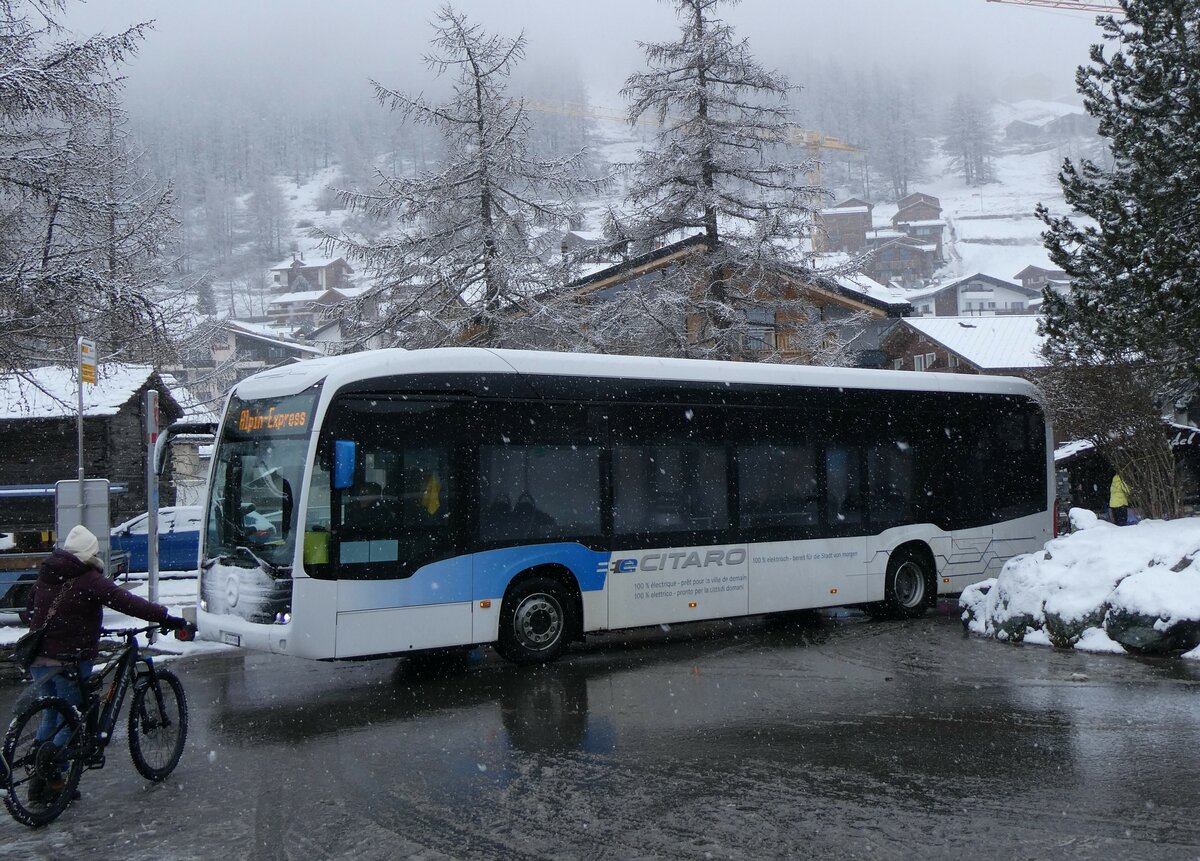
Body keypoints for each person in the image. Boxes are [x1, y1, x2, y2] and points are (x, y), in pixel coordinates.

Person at [24, 525, 186, 803]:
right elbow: (127, 602)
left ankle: (42, 780)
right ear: (89, 553)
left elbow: (31, 609)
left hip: (38, 656)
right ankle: (52, 773)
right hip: (69, 658)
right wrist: (165, 617)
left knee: (52, 714)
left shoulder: (47, 572)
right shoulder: (87, 578)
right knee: (71, 717)